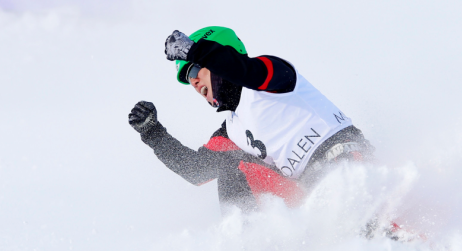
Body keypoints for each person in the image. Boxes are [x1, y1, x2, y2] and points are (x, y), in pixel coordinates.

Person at [128, 26, 373, 214]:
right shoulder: (232, 130)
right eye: (188, 78)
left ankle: (387, 230)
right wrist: (153, 134)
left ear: (221, 53)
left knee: (357, 209)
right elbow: (197, 170)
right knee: (231, 169)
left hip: (347, 161)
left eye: (194, 70)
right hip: (312, 194)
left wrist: (194, 50)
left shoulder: (273, 76)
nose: (193, 81)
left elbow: (245, 71)